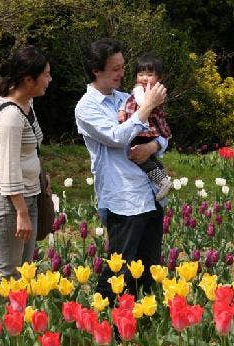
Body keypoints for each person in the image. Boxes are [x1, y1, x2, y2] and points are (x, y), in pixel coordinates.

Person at [75, 39, 167, 302]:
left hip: (150, 193)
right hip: (123, 198)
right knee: (119, 270)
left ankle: (140, 322)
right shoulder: (86, 107)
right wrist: (147, 106)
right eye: (115, 69)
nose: (122, 73)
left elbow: (162, 134)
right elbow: (116, 137)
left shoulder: (126, 98)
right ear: (97, 70)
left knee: (148, 268)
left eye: (122, 67)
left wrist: (152, 147)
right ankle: (100, 321)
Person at [0, 45, 52, 309]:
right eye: (45, 75)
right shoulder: (11, 116)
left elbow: (30, 150)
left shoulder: (27, 104)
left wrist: (40, 177)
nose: (50, 80)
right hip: (11, 201)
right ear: (28, 79)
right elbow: (10, 166)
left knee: (23, 271)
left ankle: (13, 327)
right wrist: (22, 213)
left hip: (30, 195)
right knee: (6, 272)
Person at [117, 53, 172, 201]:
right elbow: (128, 100)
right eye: (140, 74)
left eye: (149, 74)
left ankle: (161, 181)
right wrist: (122, 110)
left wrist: (146, 104)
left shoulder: (152, 91)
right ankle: (163, 176)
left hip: (144, 130)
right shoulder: (142, 90)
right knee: (150, 156)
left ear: (158, 78)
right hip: (147, 129)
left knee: (140, 158)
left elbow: (142, 103)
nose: (144, 78)